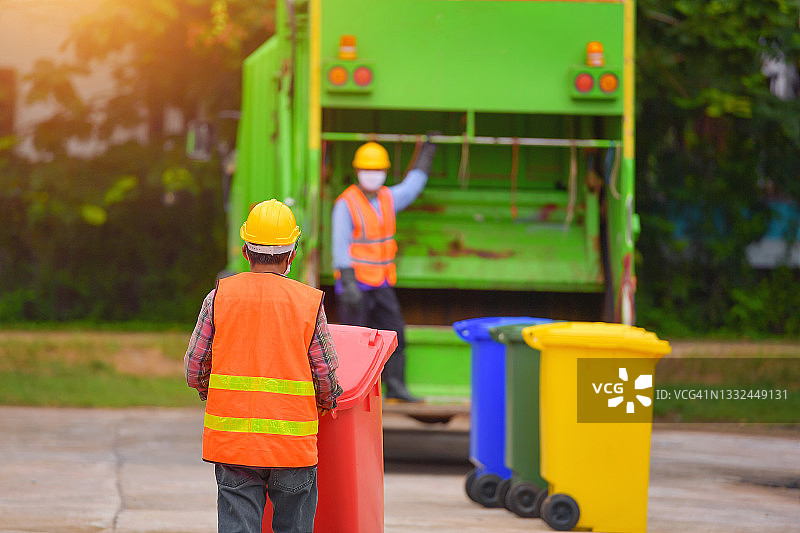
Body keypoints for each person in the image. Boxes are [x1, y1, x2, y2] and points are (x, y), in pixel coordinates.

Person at [185, 198, 343, 533]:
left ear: (245, 251)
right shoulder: (308, 303)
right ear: (293, 253)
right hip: (292, 446)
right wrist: (326, 404)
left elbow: (195, 367)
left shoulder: (219, 297)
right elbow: (325, 376)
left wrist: (211, 393)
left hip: (234, 445)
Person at [331, 137, 436, 403]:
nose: (373, 175)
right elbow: (339, 245)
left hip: (380, 282)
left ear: (385, 172)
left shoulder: (389, 198)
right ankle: (351, 393)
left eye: (378, 170)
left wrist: (427, 152)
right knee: (354, 343)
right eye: (368, 169)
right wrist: (349, 283)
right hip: (356, 285)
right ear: (357, 172)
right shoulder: (346, 203)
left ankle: (396, 387)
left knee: (395, 333)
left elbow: (413, 187)